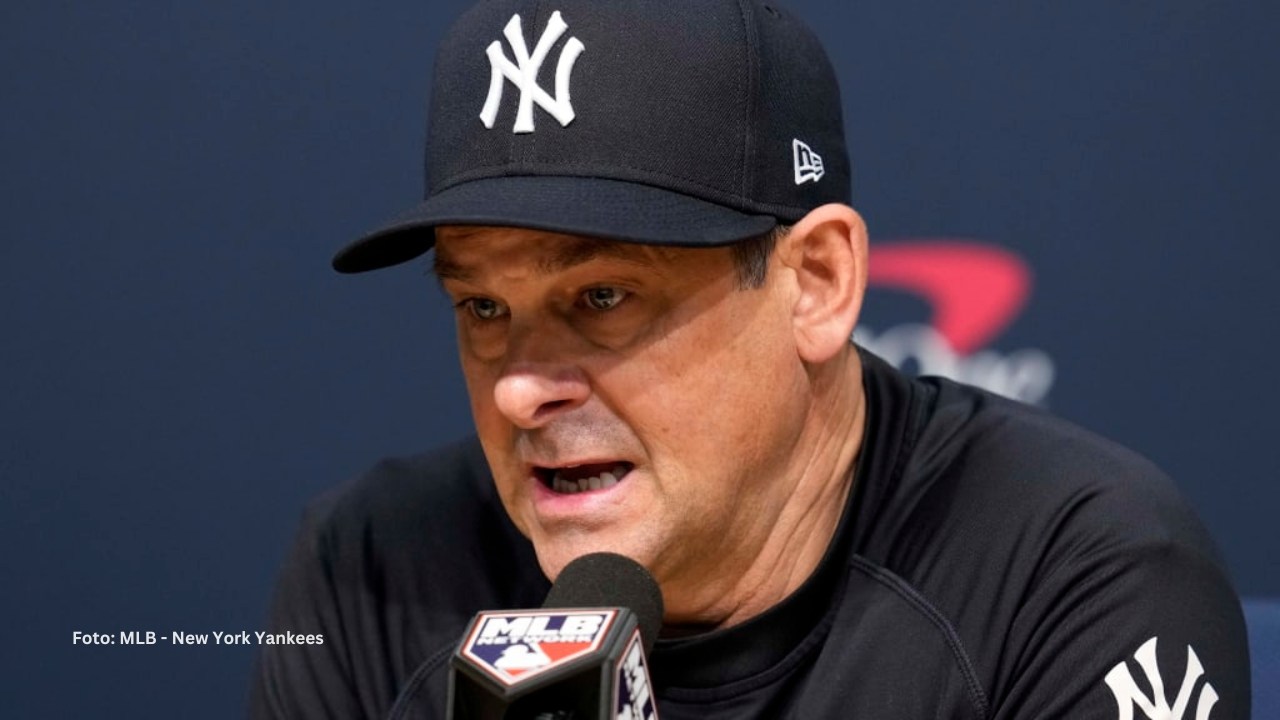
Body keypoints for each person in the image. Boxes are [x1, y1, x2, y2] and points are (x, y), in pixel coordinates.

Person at [249, 0, 1251, 717]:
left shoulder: (1068, 570)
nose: (516, 388)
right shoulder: (371, 570)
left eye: (601, 297)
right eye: (479, 304)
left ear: (814, 282)